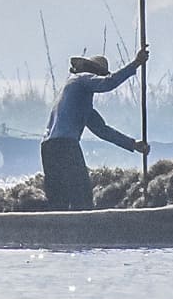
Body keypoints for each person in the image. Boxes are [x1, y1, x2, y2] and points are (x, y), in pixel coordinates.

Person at [41, 49, 149, 211]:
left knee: (59, 200)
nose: (97, 79)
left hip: (48, 147)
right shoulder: (80, 79)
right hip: (64, 145)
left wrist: (132, 144)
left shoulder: (80, 101)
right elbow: (109, 83)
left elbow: (102, 130)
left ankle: (59, 226)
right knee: (82, 196)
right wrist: (136, 63)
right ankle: (84, 225)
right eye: (97, 75)